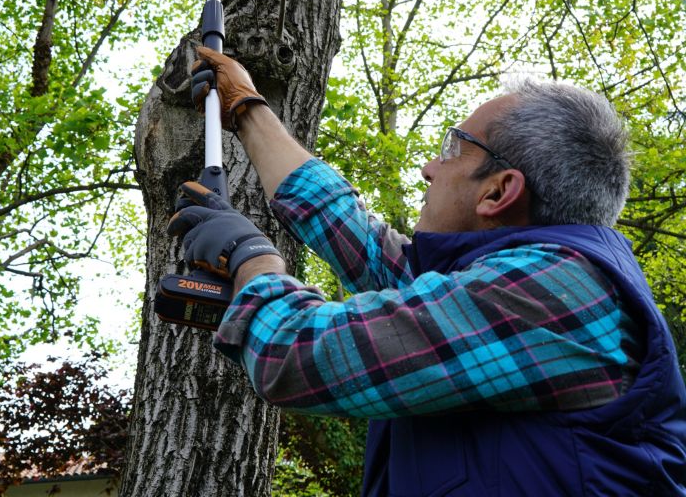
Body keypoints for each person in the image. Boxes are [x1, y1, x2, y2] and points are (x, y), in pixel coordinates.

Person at [168, 46, 686, 497]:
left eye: (453, 149)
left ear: (499, 191)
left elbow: (296, 355)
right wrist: (247, 107)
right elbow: (358, 238)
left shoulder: (556, 294)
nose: (429, 168)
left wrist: (253, 258)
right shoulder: (517, 281)